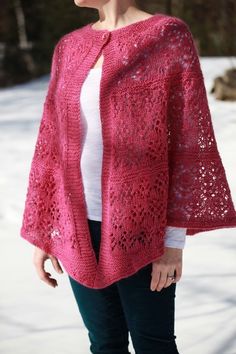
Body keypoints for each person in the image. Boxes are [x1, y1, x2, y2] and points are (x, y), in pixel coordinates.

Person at [20, 1, 236, 353]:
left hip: (143, 229)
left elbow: (185, 140)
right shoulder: (70, 47)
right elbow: (51, 143)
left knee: (154, 344)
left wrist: (173, 243)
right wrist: (46, 230)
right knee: (104, 343)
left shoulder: (166, 35)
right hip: (76, 224)